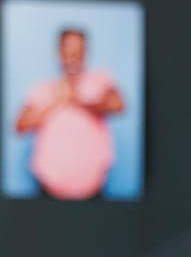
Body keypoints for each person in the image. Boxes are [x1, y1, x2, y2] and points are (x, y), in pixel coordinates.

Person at [14, 26, 126, 200]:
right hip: (48, 192)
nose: (74, 55)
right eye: (69, 49)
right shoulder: (44, 88)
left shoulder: (100, 80)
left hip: (94, 193)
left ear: (86, 52)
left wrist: (78, 99)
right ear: (59, 52)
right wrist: (58, 99)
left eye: (79, 49)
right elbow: (20, 125)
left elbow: (118, 106)